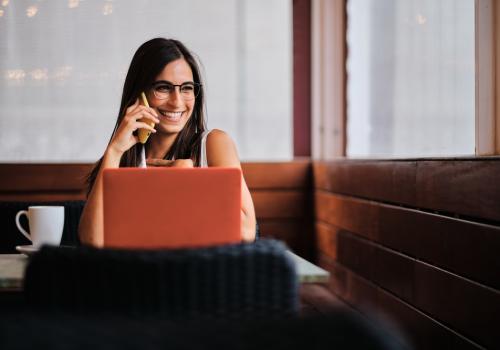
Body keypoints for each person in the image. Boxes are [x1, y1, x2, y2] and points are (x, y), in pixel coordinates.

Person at [78, 38, 256, 247]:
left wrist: (189, 182)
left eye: (186, 88)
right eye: (163, 88)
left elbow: (246, 231)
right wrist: (114, 151)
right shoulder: (124, 157)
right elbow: (93, 240)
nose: (177, 101)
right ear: (139, 93)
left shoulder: (213, 144)